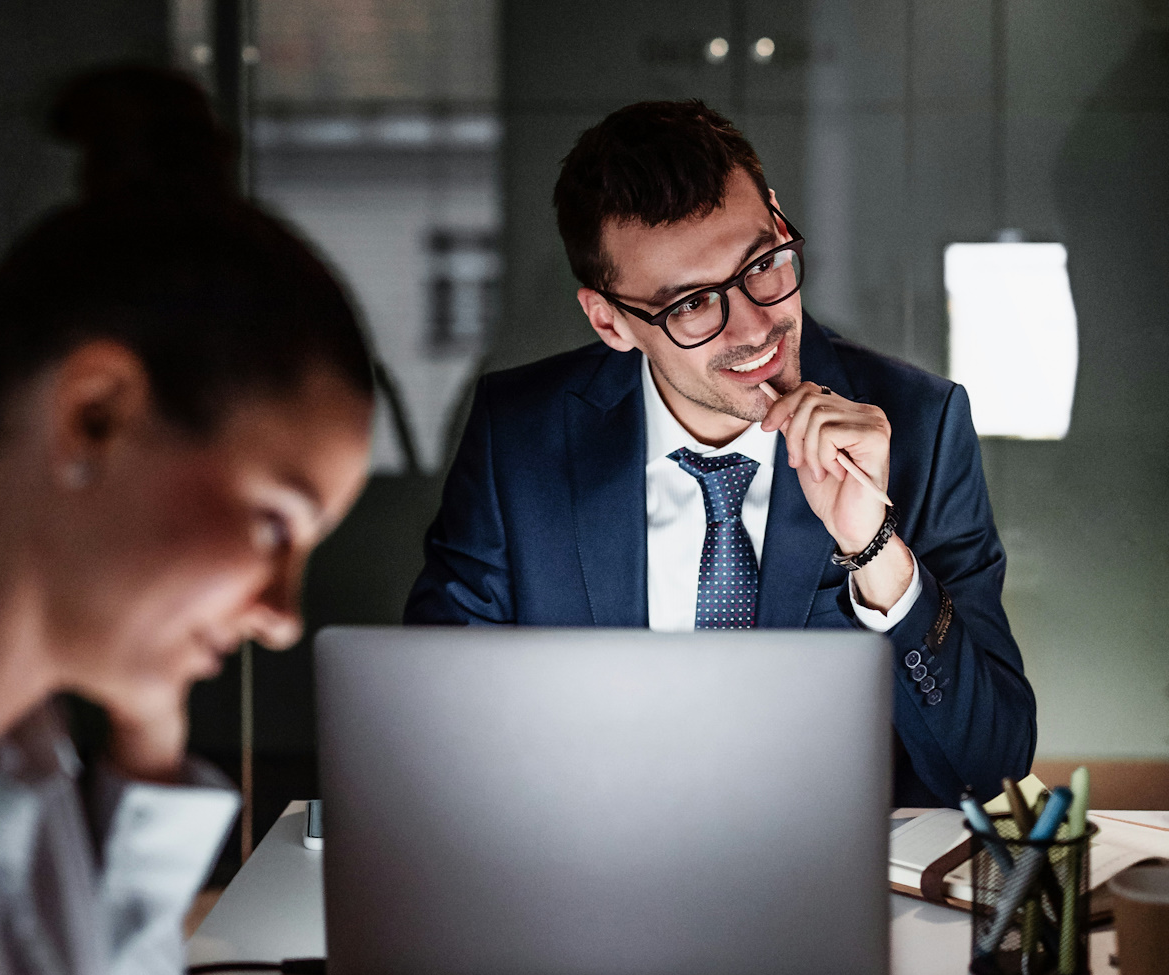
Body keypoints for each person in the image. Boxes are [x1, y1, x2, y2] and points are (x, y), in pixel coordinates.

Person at [405, 100, 1036, 807]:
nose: (758, 324)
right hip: (590, 875)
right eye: (692, 305)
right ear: (610, 321)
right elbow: (437, 735)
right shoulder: (516, 438)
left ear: (775, 214)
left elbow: (993, 771)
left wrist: (875, 548)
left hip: (833, 892)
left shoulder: (920, 422)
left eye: (761, 263)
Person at [0, 67, 376, 975]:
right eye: (275, 523)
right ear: (95, 414)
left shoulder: (12, 747)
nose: (282, 617)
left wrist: (149, 727)